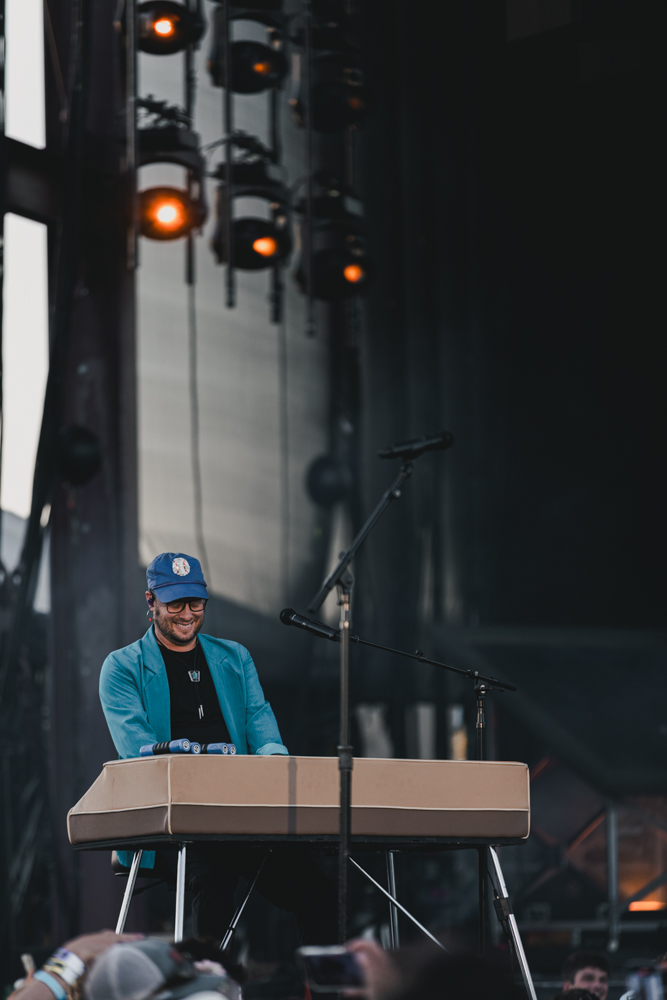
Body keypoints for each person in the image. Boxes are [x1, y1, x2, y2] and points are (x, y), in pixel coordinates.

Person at [99, 552, 337, 944]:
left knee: (320, 893)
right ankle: (210, 982)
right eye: (175, 603)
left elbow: (261, 724)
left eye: (195, 602)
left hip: (240, 813)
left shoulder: (234, 656)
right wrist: (191, 758)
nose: (187, 613)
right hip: (175, 819)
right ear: (151, 602)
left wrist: (274, 764)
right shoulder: (123, 666)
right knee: (215, 876)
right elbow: (135, 750)